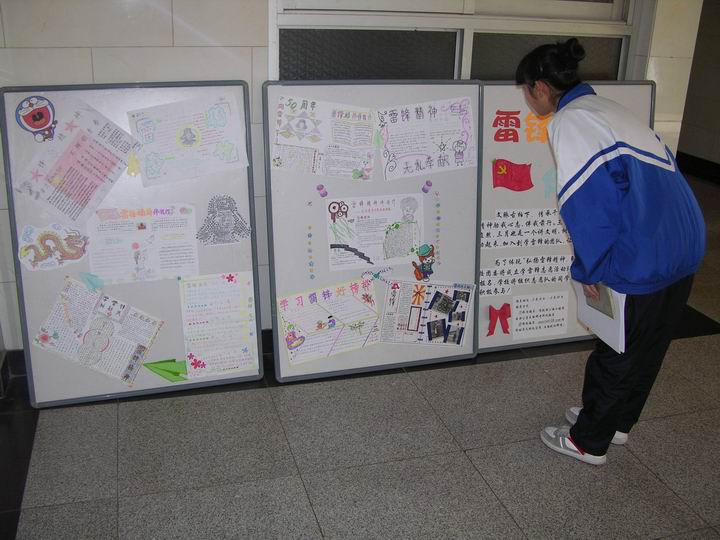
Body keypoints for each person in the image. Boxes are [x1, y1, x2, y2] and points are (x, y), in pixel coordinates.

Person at [516, 38, 706, 465]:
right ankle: (615, 422)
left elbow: (590, 207)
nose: (527, 99)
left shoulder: (571, 121)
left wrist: (590, 271)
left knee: (616, 349)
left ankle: (588, 441)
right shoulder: (608, 110)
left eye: (526, 90)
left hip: (643, 255)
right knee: (648, 345)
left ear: (540, 87)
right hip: (682, 244)